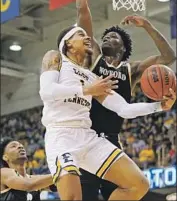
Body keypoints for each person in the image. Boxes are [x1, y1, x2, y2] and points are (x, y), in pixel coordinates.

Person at [71, 0, 176, 200]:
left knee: (132, 191)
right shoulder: (94, 58)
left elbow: (168, 56)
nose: (107, 39)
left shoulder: (133, 70)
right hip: (85, 138)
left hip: (111, 141)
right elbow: (82, 9)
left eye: (114, 37)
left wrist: (148, 26)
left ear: (124, 47)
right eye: (105, 37)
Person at [40, 22, 175, 201]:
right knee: (73, 197)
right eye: (80, 34)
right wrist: (87, 90)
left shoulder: (91, 78)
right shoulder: (55, 59)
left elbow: (123, 109)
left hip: (88, 137)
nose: (87, 37)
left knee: (139, 185)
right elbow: (47, 92)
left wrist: (159, 106)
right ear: (68, 43)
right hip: (61, 136)